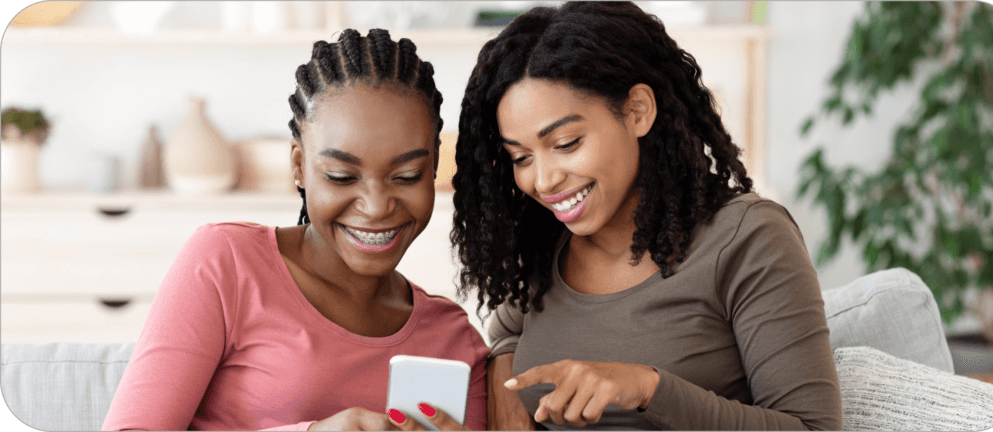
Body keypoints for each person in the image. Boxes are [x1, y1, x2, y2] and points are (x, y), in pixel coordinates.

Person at [449, 2, 842, 430]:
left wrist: (647, 388)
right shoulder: (545, 244)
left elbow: (812, 427)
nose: (542, 181)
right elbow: (507, 333)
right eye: (520, 157)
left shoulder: (748, 238)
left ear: (637, 111)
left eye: (566, 143)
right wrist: (507, 403)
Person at [102, 29, 488, 431]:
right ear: (299, 166)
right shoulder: (228, 263)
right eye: (341, 176)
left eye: (407, 176)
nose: (376, 207)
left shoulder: (453, 341)